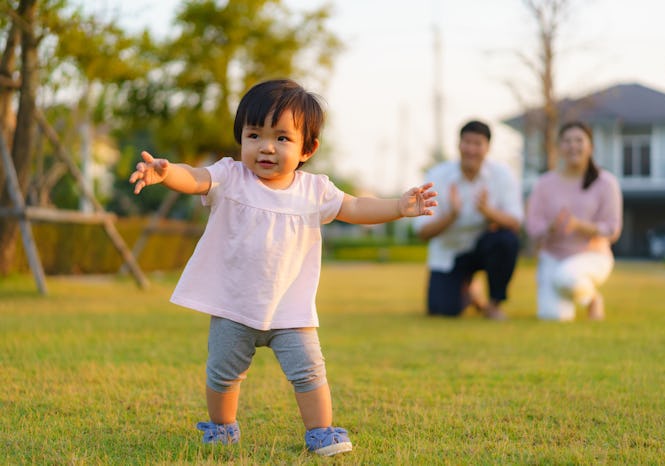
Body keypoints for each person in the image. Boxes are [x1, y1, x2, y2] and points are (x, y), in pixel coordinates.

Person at [128, 79, 437, 456]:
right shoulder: (230, 177)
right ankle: (222, 428)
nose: (266, 147)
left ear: (308, 148)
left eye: (282, 138)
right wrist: (167, 172)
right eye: (254, 135)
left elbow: (354, 207)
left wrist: (397, 207)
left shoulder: (315, 191)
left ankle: (321, 431)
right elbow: (196, 177)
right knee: (223, 374)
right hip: (233, 306)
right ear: (241, 139)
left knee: (309, 372)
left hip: (291, 310)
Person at [414, 120, 523, 320]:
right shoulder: (437, 176)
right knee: (442, 310)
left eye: (478, 144)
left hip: (484, 247)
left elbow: (516, 222)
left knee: (507, 240)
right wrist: (452, 216)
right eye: (467, 143)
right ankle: (469, 291)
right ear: (458, 144)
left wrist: (488, 212)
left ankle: (494, 303)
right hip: (450, 253)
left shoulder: (502, 175)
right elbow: (422, 232)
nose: (471, 149)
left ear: (487, 147)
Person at [525, 121, 622, 321]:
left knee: (566, 277)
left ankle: (593, 298)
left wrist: (581, 226)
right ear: (559, 147)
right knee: (551, 316)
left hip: (592, 257)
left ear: (591, 147)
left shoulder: (606, 183)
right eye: (567, 141)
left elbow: (613, 229)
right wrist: (550, 228)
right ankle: (579, 297)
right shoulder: (544, 184)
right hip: (552, 256)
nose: (573, 146)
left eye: (579, 140)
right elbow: (533, 227)